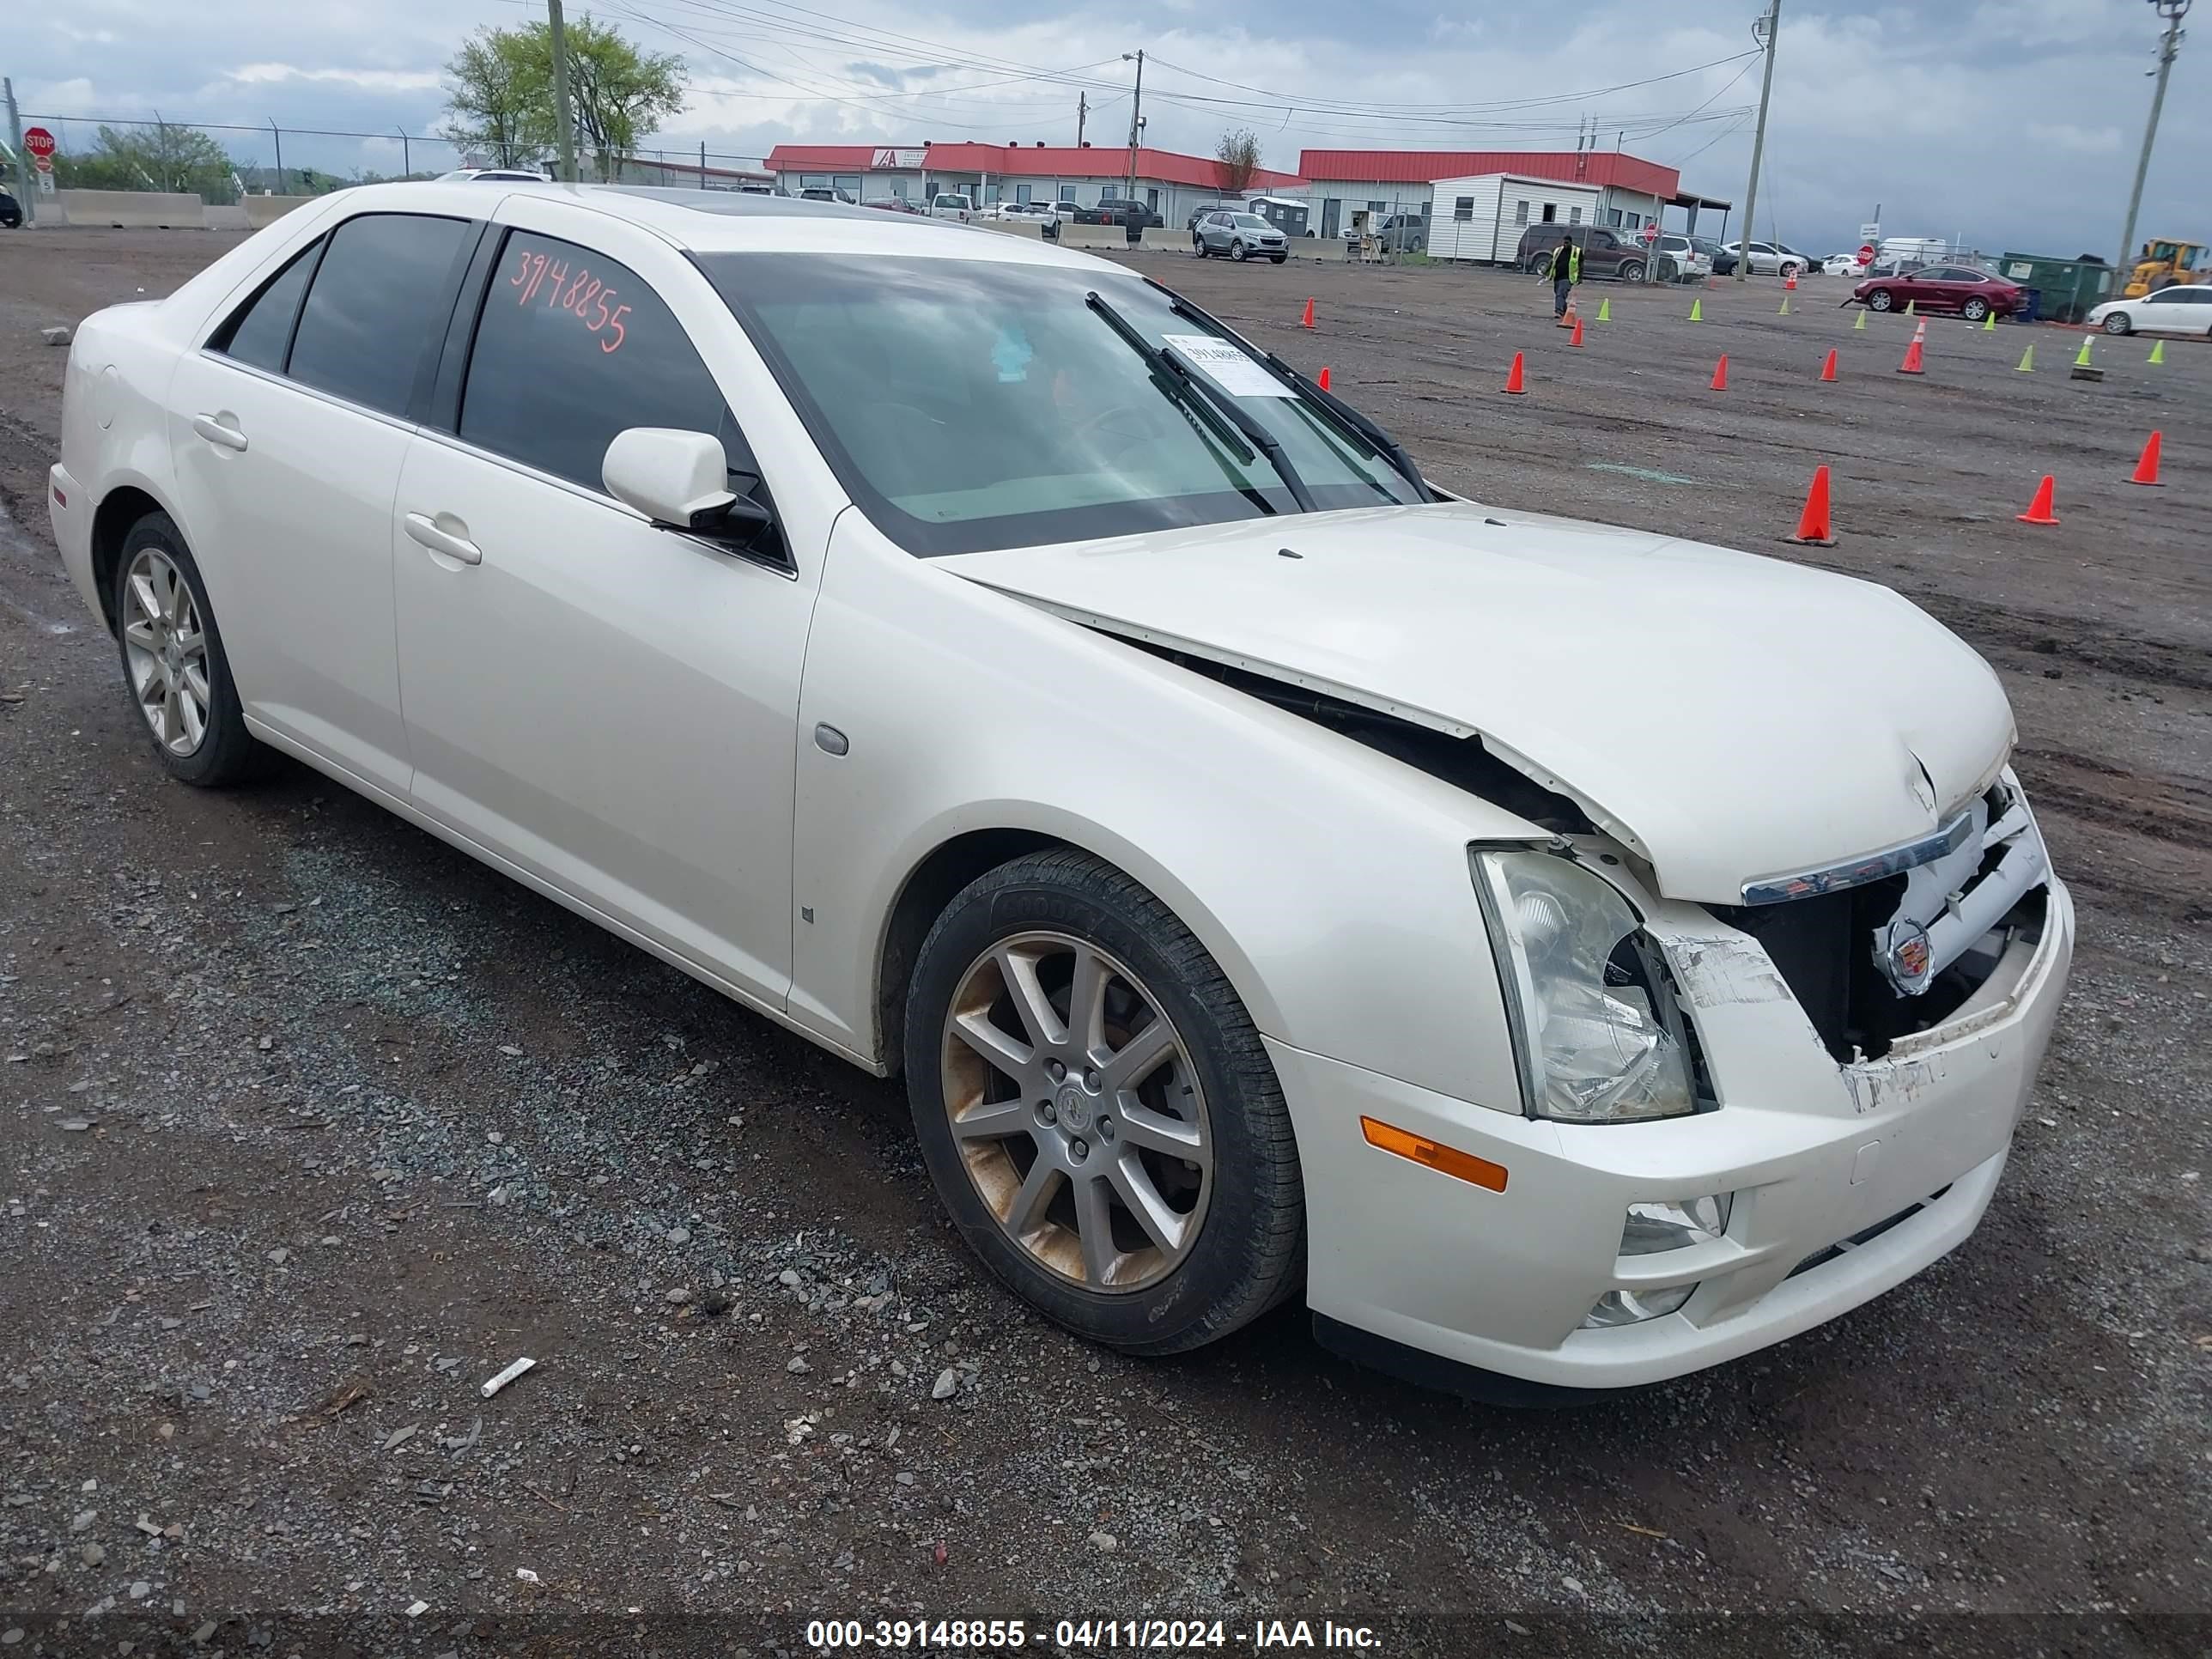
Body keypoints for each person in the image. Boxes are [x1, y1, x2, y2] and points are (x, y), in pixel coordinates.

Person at [1552, 236, 1583, 323]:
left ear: (1571, 242)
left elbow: (1581, 265)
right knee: (1559, 294)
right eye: (1564, 243)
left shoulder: (1577, 252)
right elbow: (1553, 262)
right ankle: (1565, 310)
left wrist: (1580, 277)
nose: (1565, 245)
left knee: (1560, 294)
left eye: (1567, 243)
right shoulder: (1558, 250)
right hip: (1557, 276)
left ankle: (1558, 311)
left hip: (1568, 278)